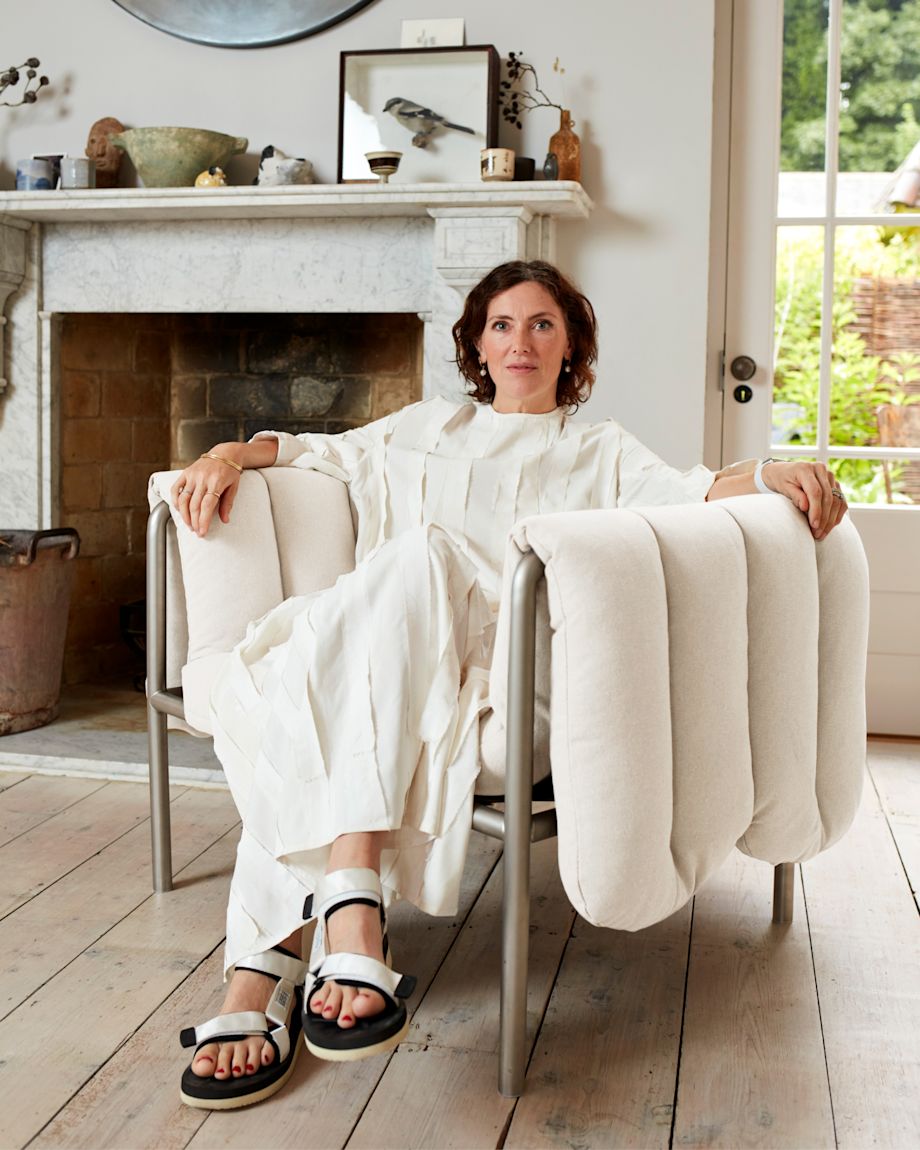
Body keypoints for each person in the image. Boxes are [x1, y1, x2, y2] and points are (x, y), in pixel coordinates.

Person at [171, 260, 848, 1109]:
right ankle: (344, 900)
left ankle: (257, 979)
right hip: (373, 653)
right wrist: (225, 454)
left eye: (541, 326)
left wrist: (771, 471)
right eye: (501, 325)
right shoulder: (418, 428)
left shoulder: (597, 451)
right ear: (477, 345)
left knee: (410, 574)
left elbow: (696, 491)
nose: (519, 341)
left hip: (493, 669)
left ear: (571, 350)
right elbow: (310, 453)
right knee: (379, 610)